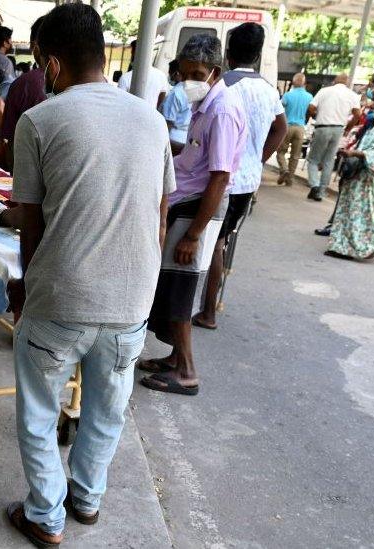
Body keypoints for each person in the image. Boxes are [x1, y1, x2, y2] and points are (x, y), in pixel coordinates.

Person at [3, 4, 175, 546]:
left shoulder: (40, 121)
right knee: (107, 407)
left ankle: (45, 518)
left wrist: (26, 289)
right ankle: (87, 499)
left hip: (62, 298)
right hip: (131, 298)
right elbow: (160, 214)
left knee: (38, 412)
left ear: (52, 63)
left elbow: (29, 220)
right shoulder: (151, 118)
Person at [139, 34, 247, 396]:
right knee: (171, 284)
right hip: (187, 199)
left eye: (197, 74)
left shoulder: (222, 109)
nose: (190, 81)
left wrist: (194, 234)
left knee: (181, 288)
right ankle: (174, 358)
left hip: (199, 208)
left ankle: (186, 370)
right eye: (184, 74)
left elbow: (220, 176)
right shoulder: (205, 106)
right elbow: (200, 158)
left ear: (215, 72)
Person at [192, 23, 287, 331]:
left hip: (220, 178)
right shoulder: (268, 89)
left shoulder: (222, 86)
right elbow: (280, 128)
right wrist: (257, 159)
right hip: (247, 180)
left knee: (213, 242)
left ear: (228, 54)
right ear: (258, 55)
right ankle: (207, 303)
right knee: (223, 240)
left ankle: (206, 310)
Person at [325, 74, 374, 260]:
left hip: (367, 178)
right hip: (359, 176)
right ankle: (341, 246)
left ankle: (368, 243)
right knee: (351, 212)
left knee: (361, 215)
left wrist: (355, 154)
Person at [306, 73, 361, 201]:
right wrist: (348, 127)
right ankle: (322, 189)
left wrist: (316, 114)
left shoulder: (324, 91)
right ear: (347, 83)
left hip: (322, 127)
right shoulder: (352, 95)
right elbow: (357, 114)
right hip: (338, 129)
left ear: (335, 81)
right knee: (328, 160)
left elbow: (311, 107)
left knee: (314, 159)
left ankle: (314, 185)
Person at [1, 16, 48, 165]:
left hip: (26, 174)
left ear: (35, 46)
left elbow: (8, 140)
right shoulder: (90, 89)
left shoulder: (23, 84)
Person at [277, 73, 314, 186]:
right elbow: (311, 110)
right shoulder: (309, 97)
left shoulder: (288, 95)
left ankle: (284, 169)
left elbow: (279, 108)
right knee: (295, 155)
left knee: (281, 152)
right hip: (300, 128)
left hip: (287, 126)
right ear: (304, 83)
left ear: (293, 83)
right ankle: (290, 179)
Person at [118, 39, 170, 108]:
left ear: (134, 53)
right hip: (152, 116)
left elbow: (121, 102)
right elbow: (163, 95)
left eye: (131, 52)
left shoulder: (126, 77)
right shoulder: (161, 76)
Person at [161, 59, 192, 150]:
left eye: (171, 73)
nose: (170, 77)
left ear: (178, 73)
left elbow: (168, 122)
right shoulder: (193, 90)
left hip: (173, 139)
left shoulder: (176, 93)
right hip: (187, 138)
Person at [0, 26, 16, 97]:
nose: (12, 42)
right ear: (5, 43)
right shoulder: (7, 63)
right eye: (10, 39)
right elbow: (9, 89)